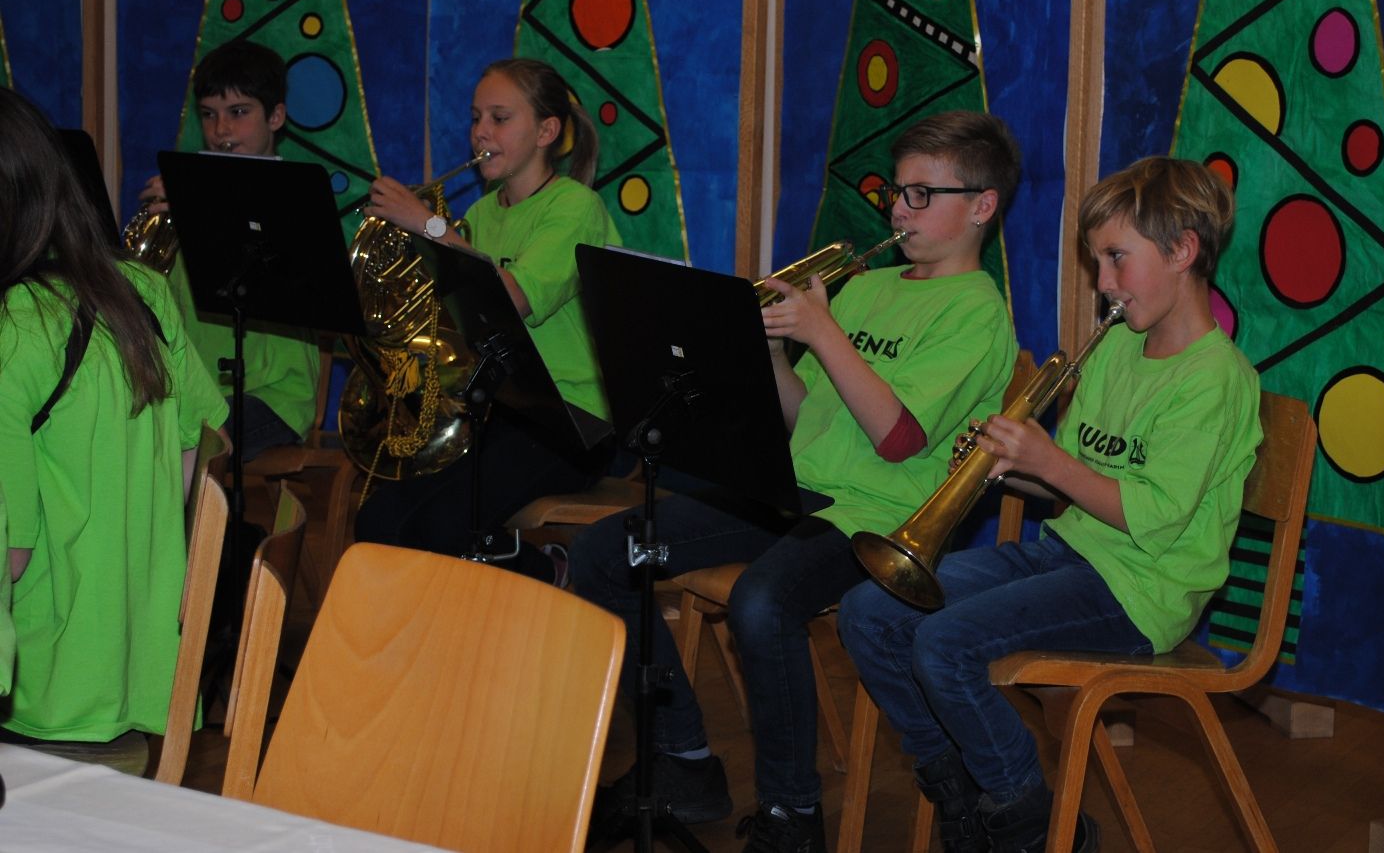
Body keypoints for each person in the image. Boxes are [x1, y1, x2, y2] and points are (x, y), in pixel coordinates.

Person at [570, 110, 1021, 852]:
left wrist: (823, 331)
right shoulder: (868, 288)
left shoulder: (977, 314)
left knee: (762, 601)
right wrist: (772, 352)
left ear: (982, 205)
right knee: (602, 554)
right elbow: (806, 415)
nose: (898, 211)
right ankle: (683, 759)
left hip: (876, 518)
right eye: (896, 192)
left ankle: (791, 813)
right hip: (795, 490)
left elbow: (897, 438)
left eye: (921, 195)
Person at [838, 155, 1264, 853]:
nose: (1104, 284)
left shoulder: (1216, 379)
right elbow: (1072, 483)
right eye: (1097, 262)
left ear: (1183, 250)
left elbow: (1151, 515)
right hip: (1070, 553)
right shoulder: (1118, 349)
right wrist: (1004, 465)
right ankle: (958, 788)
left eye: (1117, 259)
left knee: (944, 645)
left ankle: (1025, 819)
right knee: (869, 610)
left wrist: (1048, 461)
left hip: (1142, 590)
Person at [0, 85, 228, 742]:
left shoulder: (13, 329)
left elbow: (10, 556)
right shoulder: (145, 288)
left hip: (43, 694)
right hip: (149, 679)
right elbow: (206, 444)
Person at [352, 58, 620, 582]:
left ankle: (550, 574)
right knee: (377, 520)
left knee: (442, 528)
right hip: (498, 412)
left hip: (573, 422)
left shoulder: (575, 207)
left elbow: (513, 300)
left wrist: (429, 226)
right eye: (476, 118)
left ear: (546, 131)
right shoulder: (480, 215)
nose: (480, 131)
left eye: (500, 118)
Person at [138, 38, 319, 461]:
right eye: (209, 115)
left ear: (276, 117)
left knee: (181, 446)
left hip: (275, 395)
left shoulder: (293, 199)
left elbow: (288, 272)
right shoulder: (185, 202)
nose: (221, 130)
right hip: (194, 391)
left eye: (238, 113)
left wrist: (200, 205)